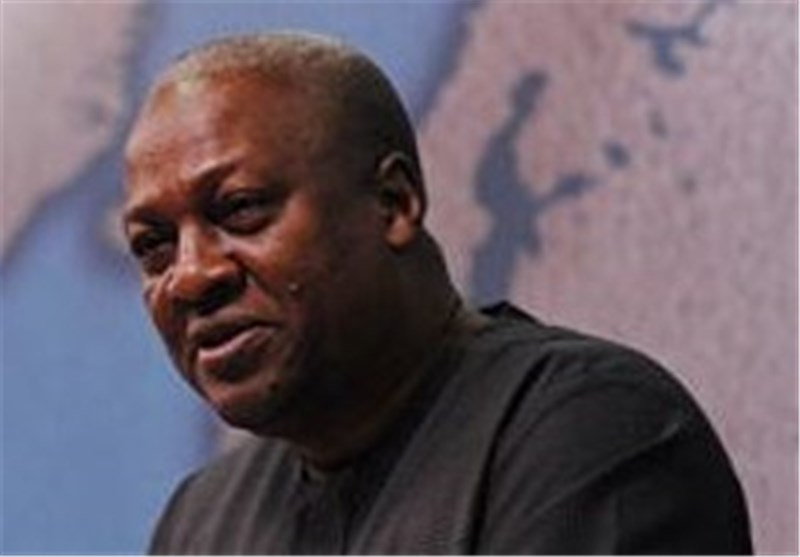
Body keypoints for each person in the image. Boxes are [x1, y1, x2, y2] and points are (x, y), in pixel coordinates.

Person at [122, 32, 752, 554]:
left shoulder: (592, 430)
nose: (191, 276)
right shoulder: (201, 524)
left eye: (241, 209)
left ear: (394, 203)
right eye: (153, 246)